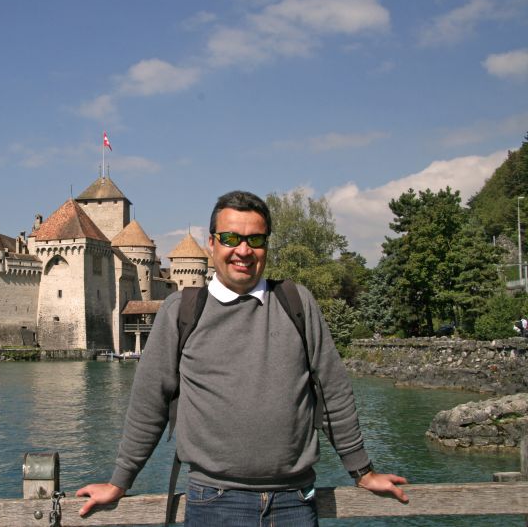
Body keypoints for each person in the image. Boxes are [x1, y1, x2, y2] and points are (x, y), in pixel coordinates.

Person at [77, 190, 408, 526]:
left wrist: (362, 470)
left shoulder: (296, 303)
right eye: (231, 238)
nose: (243, 250)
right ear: (212, 244)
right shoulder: (182, 311)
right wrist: (120, 481)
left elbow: (334, 391)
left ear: (266, 244)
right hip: (213, 500)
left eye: (255, 239)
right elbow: (149, 402)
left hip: (294, 500)